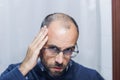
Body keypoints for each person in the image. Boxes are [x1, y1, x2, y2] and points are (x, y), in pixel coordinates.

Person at [0, 13, 104, 80]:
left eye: (68, 50)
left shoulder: (90, 77)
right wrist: (25, 67)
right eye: (53, 49)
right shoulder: (19, 73)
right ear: (39, 44)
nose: (60, 60)